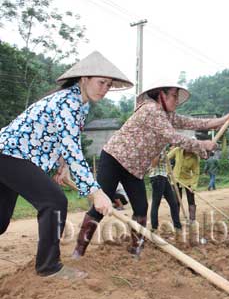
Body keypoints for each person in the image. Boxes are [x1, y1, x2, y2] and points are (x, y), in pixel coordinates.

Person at [0, 51, 131, 279]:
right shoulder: (67, 102)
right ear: (84, 79)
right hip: (10, 154)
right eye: (101, 82)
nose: (104, 88)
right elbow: (73, 149)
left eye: (109, 85)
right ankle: (49, 267)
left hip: (11, 157)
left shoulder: (81, 106)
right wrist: (96, 192)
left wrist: (63, 166)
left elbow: (63, 140)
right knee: (54, 201)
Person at [72, 80, 229, 258]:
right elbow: (173, 137)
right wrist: (202, 144)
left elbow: (193, 122)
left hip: (134, 168)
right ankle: (79, 251)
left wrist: (223, 120)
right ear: (161, 95)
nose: (176, 100)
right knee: (98, 208)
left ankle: (136, 249)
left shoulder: (168, 115)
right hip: (114, 159)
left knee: (141, 208)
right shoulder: (151, 109)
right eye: (173, 95)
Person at [148, 146, 182, 232]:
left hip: (164, 176)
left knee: (173, 203)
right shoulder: (154, 147)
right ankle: (154, 227)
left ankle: (177, 226)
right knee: (156, 202)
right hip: (157, 177)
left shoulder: (162, 147)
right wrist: (158, 153)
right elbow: (154, 164)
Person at [168, 147, 200, 223]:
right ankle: (176, 220)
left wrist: (193, 186)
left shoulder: (195, 157)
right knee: (176, 201)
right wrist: (168, 171)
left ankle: (192, 219)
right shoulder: (177, 150)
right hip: (175, 179)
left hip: (188, 180)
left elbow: (196, 173)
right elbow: (166, 158)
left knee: (191, 199)